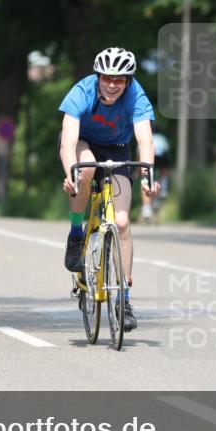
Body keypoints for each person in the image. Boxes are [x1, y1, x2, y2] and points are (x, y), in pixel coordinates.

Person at [59, 47, 160, 332]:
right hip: (83, 144)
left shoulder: (136, 96)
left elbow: (146, 141)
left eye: (119, 80)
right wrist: (71, 174)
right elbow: (68, 142)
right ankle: (76, 234)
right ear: (98, 77)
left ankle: (123, 300)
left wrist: (147, 177)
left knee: (122, 222)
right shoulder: (81, 92)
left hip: (117, 149)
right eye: (107, 78)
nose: (113, 85)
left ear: (128, 81)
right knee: (86, 168)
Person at [140, 120, 170, 223]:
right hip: (163, 156)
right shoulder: (162, 138)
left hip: (150, 155)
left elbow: (139, 156)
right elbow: (167, 154)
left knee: (145, 178)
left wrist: (137, 172)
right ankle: (164, 186)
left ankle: (146, 208)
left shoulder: (144, 136)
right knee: (164, 170)